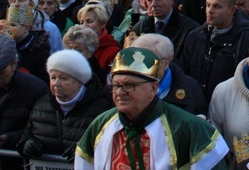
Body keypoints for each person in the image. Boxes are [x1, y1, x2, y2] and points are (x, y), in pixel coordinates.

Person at [75, 47, 228, 169]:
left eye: (129, 85)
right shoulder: (101, 125)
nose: (120, 92)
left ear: (153, 88)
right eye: (116, 85)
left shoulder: (188, 128)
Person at [17, 49, 113, 161]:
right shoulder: (41, 104)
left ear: (79, 81)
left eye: (63, 78)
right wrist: (27, 144)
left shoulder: (102, 107)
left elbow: (109, 145)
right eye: (53, 77)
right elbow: (27, 134)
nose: (56, 83)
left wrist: (86, 152)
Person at [177, 0, 249, 104]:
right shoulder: (194, 36)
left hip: (225, 108)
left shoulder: (245, 41)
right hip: (193, 107)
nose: (210, 11)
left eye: (217, 6)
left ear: (232, 10)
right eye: (208, 5)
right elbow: (183, 74)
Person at [131, 33, 206, 115]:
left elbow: (200, 116)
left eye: (150, 62)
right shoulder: (123, 84)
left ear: (165, 64)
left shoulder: (190, 86)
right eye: (137, 61)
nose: (142, 67)